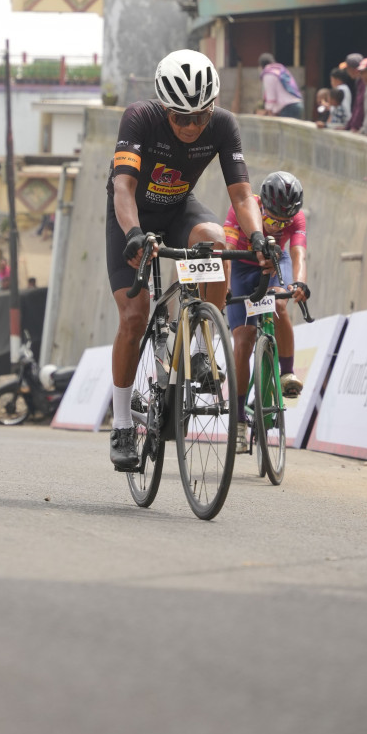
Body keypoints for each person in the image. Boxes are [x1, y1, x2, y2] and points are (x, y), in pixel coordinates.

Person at [106, 49, 269, 471]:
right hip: (132, 217)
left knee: (216, 240)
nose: (191, 127)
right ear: (165, 108)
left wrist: (257, 237)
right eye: (181, 118)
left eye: (200, 116)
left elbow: (242, 194)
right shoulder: (140, 118)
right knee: (134, 317)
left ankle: (200, 346)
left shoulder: (224, 125)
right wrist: (133, 234)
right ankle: (121, 424)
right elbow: (123, 187)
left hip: (179, 210)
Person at [224, 171, 309, 452]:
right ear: (263, 206)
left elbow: (298, 253)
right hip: (241, 264)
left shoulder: (297, 218)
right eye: (273, 219)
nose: (277, 226)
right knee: (243, 340)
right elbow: (226, 250)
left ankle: (286, 373)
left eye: (284, 221)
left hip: (274, 262)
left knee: (279, 304)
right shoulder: (243, 208)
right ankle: (238, 420)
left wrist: (300, 282)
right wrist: (225, 287)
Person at [258, 53, 304, 119]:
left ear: (261, 65)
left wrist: (268, 112)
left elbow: (271, 98)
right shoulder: (281, 69)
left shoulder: (268, 73)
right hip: (298, 104)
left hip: (288, 107)